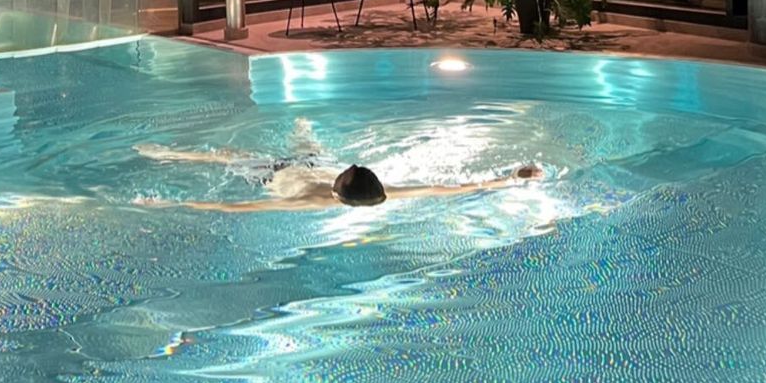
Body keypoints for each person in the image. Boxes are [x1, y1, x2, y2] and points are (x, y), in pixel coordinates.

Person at [135, 148, 543, 212]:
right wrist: (510, 178)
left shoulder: (312, 200)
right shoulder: (387, 194)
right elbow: (450, 189)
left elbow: (235, 207)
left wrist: (170, 203)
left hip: (281, 171)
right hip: (303, 166)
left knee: (229, 156)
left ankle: (175, 153)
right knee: (309, 148)